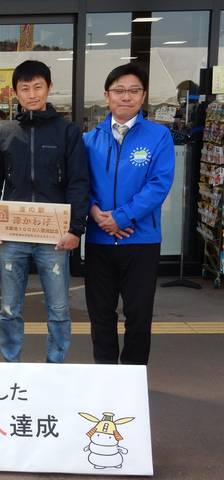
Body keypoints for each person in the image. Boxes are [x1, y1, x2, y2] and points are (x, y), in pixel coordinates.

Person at [0, 60, 89, 363]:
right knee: (10, 308)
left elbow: (79, 183)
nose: (32, 94)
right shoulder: (4, 133)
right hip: (13, 237)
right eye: (24, 88)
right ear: (16, 92)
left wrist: (75, 229)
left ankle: (56, 365)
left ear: (49, 88)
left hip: (55, 237)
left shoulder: (68, 133)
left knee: (59, 308)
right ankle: (11, 365)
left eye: (38, 86)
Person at [83, 63, 175, 365]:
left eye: (134, 91)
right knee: (100, 315)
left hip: (142, 240)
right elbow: (81, 184)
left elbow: (159, 184)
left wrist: (121, 217)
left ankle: (133, 378)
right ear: (107, 96)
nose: (126, 97)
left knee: (138, 314)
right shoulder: (89, 139)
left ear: (143, 95)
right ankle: (106, 376)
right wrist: (97, 214)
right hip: (99, 241)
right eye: (119, 91)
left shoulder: (158, 136)